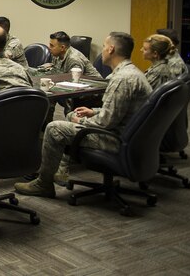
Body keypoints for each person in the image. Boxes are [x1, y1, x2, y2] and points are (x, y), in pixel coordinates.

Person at [15, 32, 152, 197]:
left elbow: (105, 123)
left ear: (111, 49)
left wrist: (82, 120)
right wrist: (92, 111)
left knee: (54, 128)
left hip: (115, 138)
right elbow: (120, 111)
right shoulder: (133, 73)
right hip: (131, 134)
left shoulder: (122, 80)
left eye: (103, 47)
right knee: (71, 115)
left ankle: (44, 183)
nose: (101, 51)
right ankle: (61, 169)